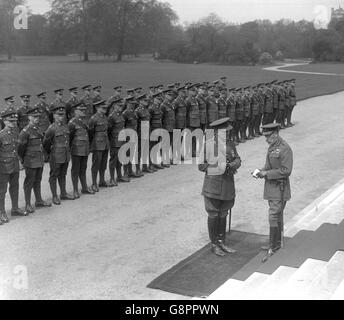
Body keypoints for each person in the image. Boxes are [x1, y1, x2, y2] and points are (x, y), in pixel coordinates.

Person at [198, 117, 241, 257]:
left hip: (227, 184)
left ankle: (222, 241)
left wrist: (233, 165)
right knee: (213, 214)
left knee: (223, 213)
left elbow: (238, 159)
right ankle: (214, 244)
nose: (228, 134)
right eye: (225, 131)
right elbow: (201, 166)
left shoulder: (230, 143)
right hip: (213, 185)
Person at [255, 123, 293, 258]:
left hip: (280, 188)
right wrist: (261, 171)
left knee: (273, 215)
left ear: (275, 134)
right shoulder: (272, 147)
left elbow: (286, 170)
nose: (266, 139)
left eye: (268, 136)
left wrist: (267, 174)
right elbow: (268, 165)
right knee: (275, 215)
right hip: (272, 187)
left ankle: (274, 244)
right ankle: (274, 242)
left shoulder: (284, 148)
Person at [18, 105, 52, 214]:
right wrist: (23, 160)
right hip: (30, 160)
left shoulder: (38, 129)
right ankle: (27, 204)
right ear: (29, 118)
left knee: (38, 180)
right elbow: (21, 149)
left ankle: (39, 200)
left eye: (38, 117)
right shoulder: (25, 131)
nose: (37, 119)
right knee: (29, 182)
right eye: (34, 117)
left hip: (39, 159)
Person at [0, 106, 28, 224]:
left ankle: (15, 208)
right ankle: (1, 212)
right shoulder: (1, 135)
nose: (13, 123)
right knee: (2, 190)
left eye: (14, 121)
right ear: (4, 121)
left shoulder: (15, 133)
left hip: (15, 165)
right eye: (10, 121)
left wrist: (20, 161)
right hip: (3, 167)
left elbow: (17, 149)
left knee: (15, 187)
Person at [44, 105, 75, 205]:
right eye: (59, 115)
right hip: (55, 156)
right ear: (54, 116)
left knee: (63, 174)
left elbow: (69, 140)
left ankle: (63, 193)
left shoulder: (66, 126)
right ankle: (54, 196)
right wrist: (50, 154)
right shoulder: (51, 128)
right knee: (54, 175)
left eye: (63, 115)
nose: (62, 117)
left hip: (65, 155)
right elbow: (46, 144)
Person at [68, 102, 95, 198]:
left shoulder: (85, 121)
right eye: (81, 110)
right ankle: (75, 189)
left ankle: (84, 187)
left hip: (85, 149)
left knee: (83, 169)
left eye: (84, 109)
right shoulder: (72, 123)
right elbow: (69, 138)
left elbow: (89, 135)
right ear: (76, 111)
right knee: (75, 170)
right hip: (76, 150)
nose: (84, 111)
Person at [88, 100, 111, 192]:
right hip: (97, 144)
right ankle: (94, 183)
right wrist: (92, 144)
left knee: (103, 163)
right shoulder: (93, 119)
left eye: (105, 107)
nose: (105, 109)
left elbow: (107, 130)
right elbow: (90, 133)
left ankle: (101, 180)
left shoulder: (105, 117)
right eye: (103, 108)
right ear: (97, 108)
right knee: (96, 164)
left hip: (105, 143)